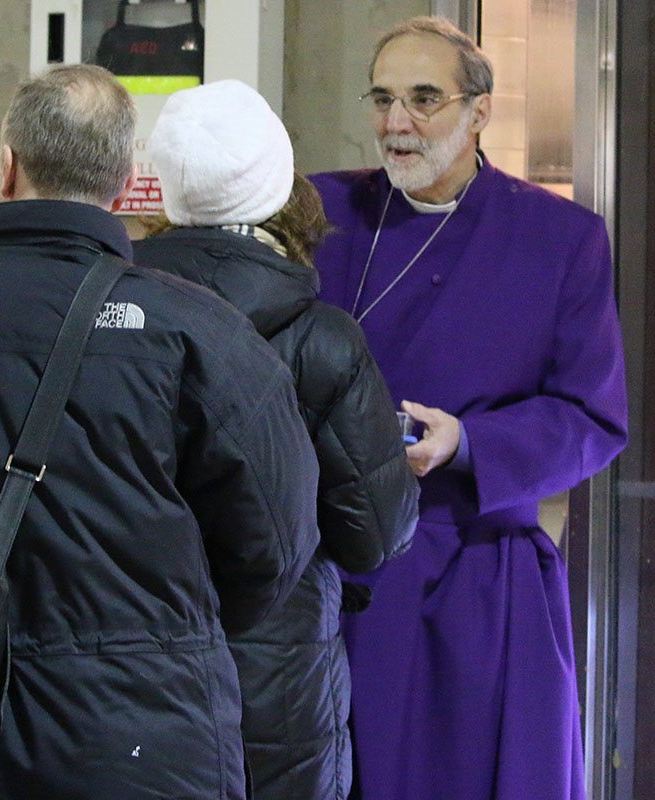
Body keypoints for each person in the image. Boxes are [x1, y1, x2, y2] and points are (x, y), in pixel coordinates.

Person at [0, 64, 320, 800]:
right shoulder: (196, 331)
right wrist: (175, 627)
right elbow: (277, 543)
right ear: (127, 182)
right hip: (151, 734)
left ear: (7, 167)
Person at [309, 17, 628, 800]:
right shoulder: (320, 212)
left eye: (424, 99)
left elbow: (594, 419)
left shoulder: (561, 237)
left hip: (473, 571)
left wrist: (471, 442)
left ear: (480, 112)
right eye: (383, 99)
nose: (396, 123)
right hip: (327, 561)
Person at [132, 79, 420, 799]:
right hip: (281, 690)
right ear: (281, 185)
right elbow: (375, 537)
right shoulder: (322, 341)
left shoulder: (106, 321)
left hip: (125, 686)